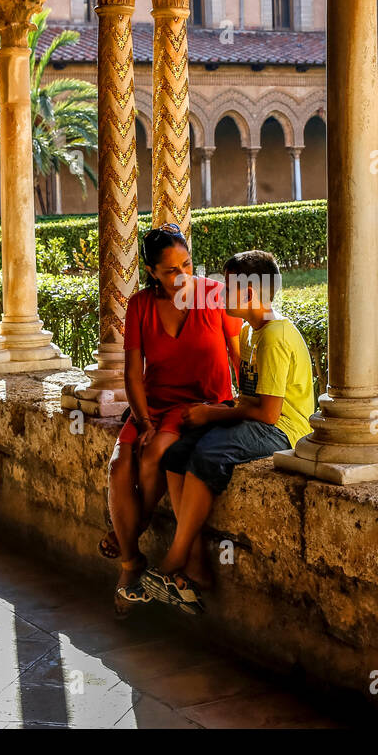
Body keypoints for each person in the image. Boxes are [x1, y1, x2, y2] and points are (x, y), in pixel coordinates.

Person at [143, 249, 315, 615]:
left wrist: (211, 414)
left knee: (207, 456)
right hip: (256, 420)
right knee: (176, 454)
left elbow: (269, 414)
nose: (220, 295)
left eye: (229, 288)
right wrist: (219, 410)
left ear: (251, 292)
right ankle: (195, 561)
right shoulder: (254, 333)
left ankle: (174, 559)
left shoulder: (275, 337)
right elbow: (250, 400)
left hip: (283, 431)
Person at [107, 223, 241, 617]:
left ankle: (126, 546)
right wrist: (143, 420)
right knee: (119, 467)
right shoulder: (140, 306)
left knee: (153, 458)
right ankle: (131, 560)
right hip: (154, 405)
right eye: (170, 270)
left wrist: (249, 408)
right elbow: (133, 374)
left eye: (187, 264)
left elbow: (237, 356)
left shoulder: (213, 295)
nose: (182, 275)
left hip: (203, 405)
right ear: (151, 272)